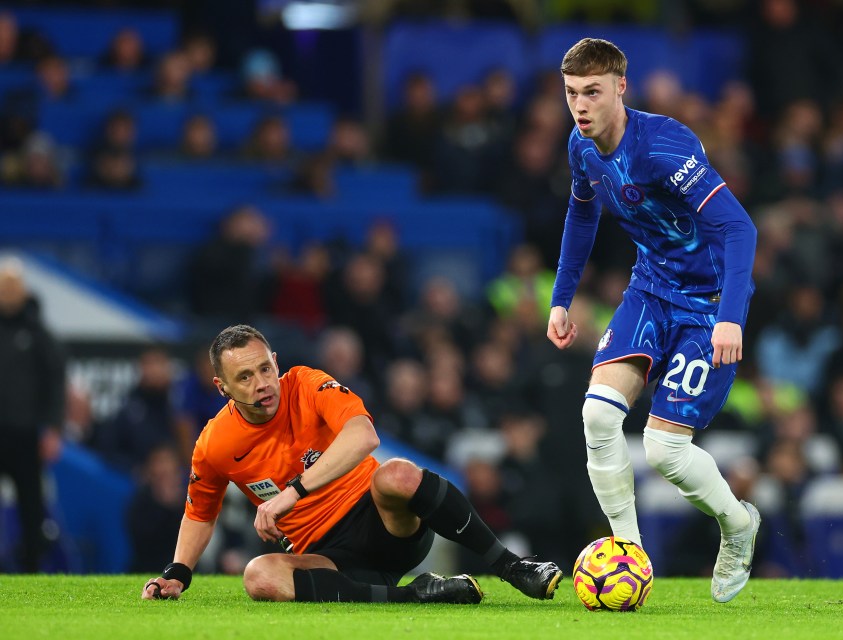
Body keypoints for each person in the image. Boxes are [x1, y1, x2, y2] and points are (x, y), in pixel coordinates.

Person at [546, 38, 761, 603]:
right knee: (597, 415)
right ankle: (630, 556)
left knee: (665, 452)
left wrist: (730, 319)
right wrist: (561, 297)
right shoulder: (582, 147)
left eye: (592, 92)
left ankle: (738, 525)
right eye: (571, 94)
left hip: (710, 302)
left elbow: (740, 228)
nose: (580, 106)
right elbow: (582, 211)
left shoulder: (665, 148)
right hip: (651, 289)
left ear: (621, 87)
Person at [140, 324, 561, 604]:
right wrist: (177, 573)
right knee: (258, 576)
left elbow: (364, 436)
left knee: (395, 472)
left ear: (275, 360)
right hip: (328, 558)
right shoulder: (214, 443)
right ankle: (418, 594)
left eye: (265, 368)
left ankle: (513, 568)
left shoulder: (306, 383)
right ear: (222, 387)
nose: (262, 384)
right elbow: (199, 512)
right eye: (245, 377)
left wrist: (293, 492)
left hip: (384, 523)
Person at [0, 256, 65, 572]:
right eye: (4, 287)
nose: (8, 293)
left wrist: (53, 428)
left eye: (13, 287)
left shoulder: (37, 332)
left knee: (31, 504)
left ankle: (31, 568)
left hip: (25, 433)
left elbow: (55, 379)